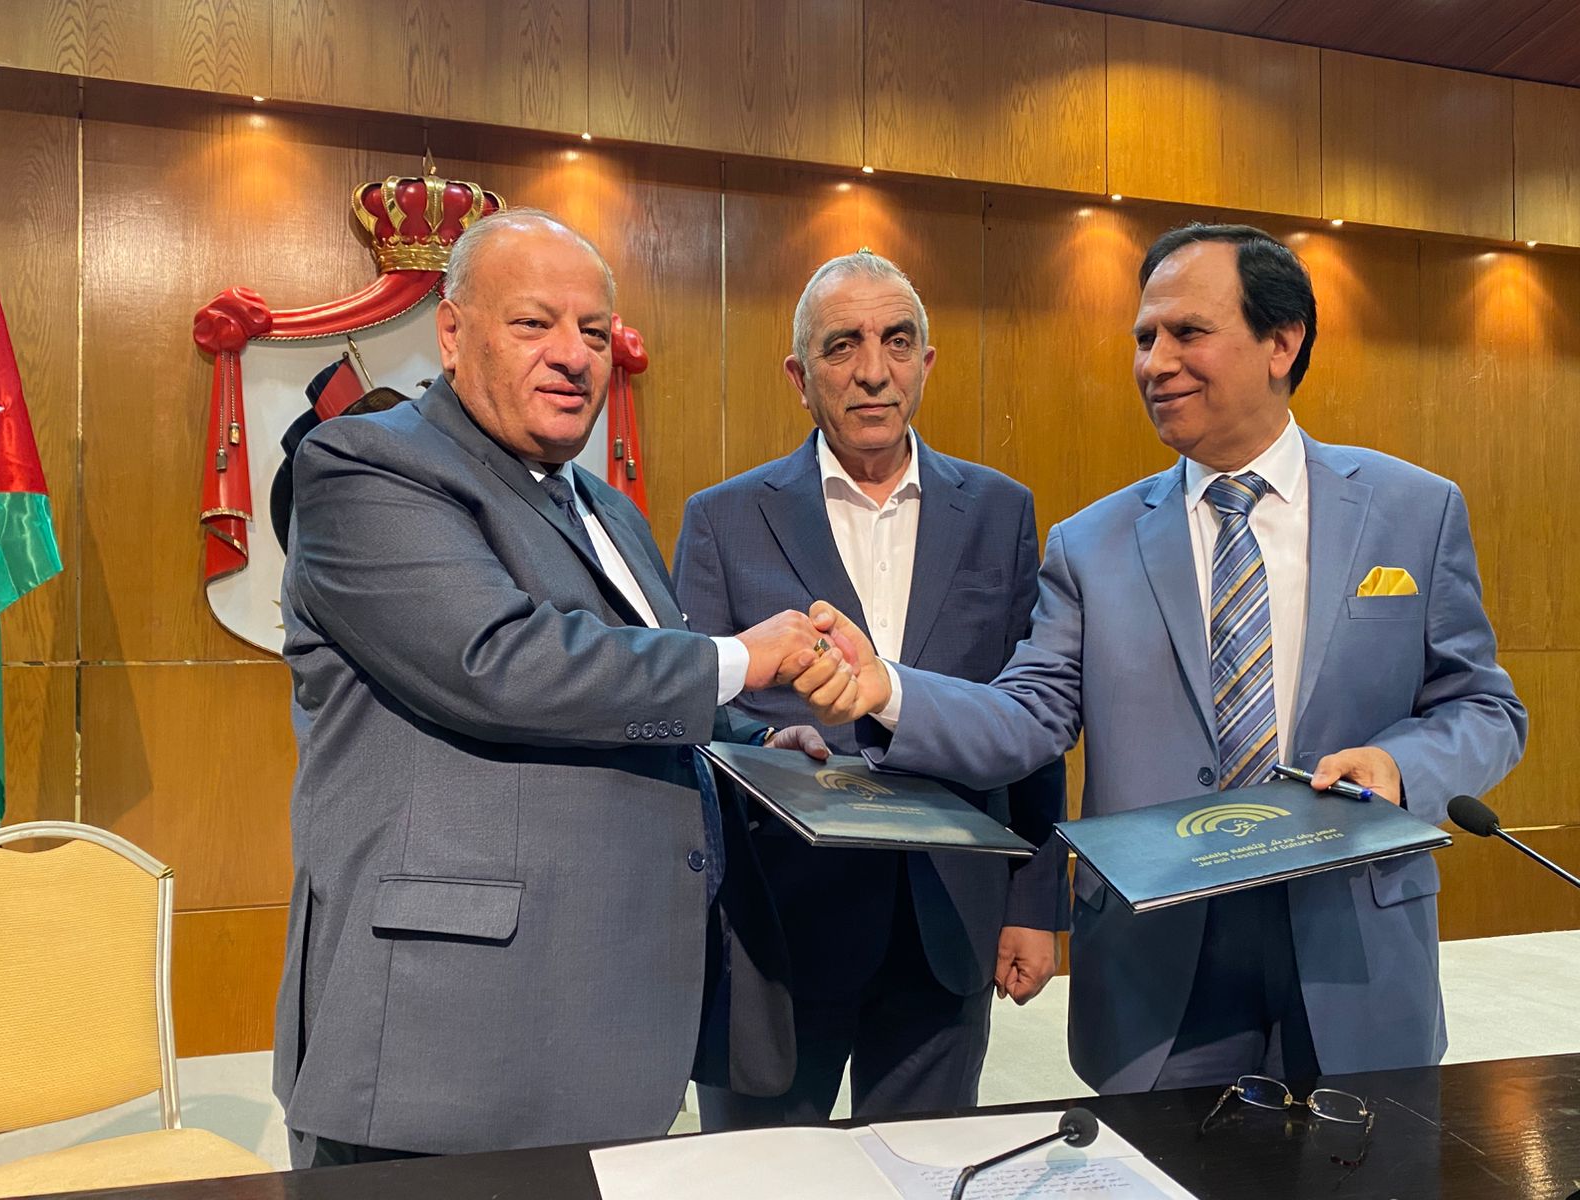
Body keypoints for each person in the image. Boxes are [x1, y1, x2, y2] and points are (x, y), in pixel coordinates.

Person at [793, 223, 1527, 1092]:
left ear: (1281, 344)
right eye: (1145, 338)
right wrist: (888, 691)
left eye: (1187, 332)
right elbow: (1027, 715)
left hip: (1354, 950)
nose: (1155, 362)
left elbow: (1485, 709)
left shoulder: (1413, 510)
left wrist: (1400, 769)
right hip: (1159, 966)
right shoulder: (1090, 543)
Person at [272, 208, 828, 1164]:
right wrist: (741, 658)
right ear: (452, 334)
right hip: (441, 1046)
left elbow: (635, 683)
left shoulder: (605, 507)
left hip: (597, 1015)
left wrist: (752, 740)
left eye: (595, 332)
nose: (574, 356)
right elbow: (501, 663)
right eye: (534, 323)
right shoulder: (365, 465)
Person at [674, 251, 1066, 1127]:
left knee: (922, 1169)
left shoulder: (1000, 510)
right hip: (778, 926)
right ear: (799, 377)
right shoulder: (723, 517)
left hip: (948, 918)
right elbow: (691, 704)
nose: (873, 370)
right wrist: (763, 739)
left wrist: (1034, 904)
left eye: (897, 340)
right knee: (761, 1177)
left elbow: (1030, 719)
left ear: (926, 361)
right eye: (842, 345)